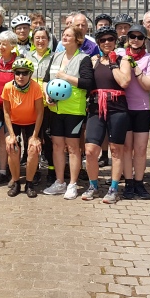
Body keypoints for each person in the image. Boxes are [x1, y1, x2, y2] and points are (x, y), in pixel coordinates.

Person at [42, 26, 94, 200]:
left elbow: (87, 82)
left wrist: (66, 77)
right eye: (63, 35)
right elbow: (46, 80)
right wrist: (47, 94)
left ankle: (72, 184)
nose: (64, 37)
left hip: (74, 110)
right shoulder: (56, 56)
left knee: (72, 147)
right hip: (55, 109)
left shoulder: (83, 58)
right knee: (57, 146)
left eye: (68, 35)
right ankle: (59, 182)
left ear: (77, 39)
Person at [83, 26, 131, 204]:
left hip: (117, 108)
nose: (106, 43)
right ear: (98, 43)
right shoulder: (92, 59)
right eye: (102, 40)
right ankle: (93, 185)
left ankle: (113, 188)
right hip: (96, 108)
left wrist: (112, 63)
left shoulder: (122, 60)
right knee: (90, 150)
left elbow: (124, 82)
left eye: (110, 39)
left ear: (115, 41)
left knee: (116, 150)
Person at [115, 24, 150, 200]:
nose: (136, 40)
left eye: (140, 37)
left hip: (142, 109)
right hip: (123, 107)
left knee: (140, 148)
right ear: (128, 38)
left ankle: (139, 183)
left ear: (145, 40)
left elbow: (148, 85)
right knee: (126, 148)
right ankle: (129, 183)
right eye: (133, 36)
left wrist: (136, 68)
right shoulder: (119, 55)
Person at [1, 58, 44, 198]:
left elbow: (40, 113)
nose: (21, 76)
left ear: (30, 74)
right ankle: (16, 182)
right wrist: (11, 135)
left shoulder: (36, 87)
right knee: (12, 148)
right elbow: (6, 112)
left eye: (25, 73)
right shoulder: (8, 87)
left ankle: (30, 183)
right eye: (18, 73)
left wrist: (35, 136)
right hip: (14, 123)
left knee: (33, 149)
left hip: (32, 122)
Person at [23, 26, 56, 184]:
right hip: (30, 105)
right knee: (31, 137)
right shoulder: (26, 56)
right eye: (37, 38)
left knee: (49, 138)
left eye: (44, 38)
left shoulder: (55, 57)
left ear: (48, 40)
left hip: (48, 105)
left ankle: (51, 169)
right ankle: (33, 169)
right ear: (32, 40)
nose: (40, 41)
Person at [0, 30, 18, 184]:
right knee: (2, 139)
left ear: (12, 46)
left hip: (14, 107)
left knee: (11, 139)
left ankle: (14, 172)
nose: (0, 46)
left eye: (4, 44)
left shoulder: (17, 62)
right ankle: (2, 171)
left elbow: (17, 86)